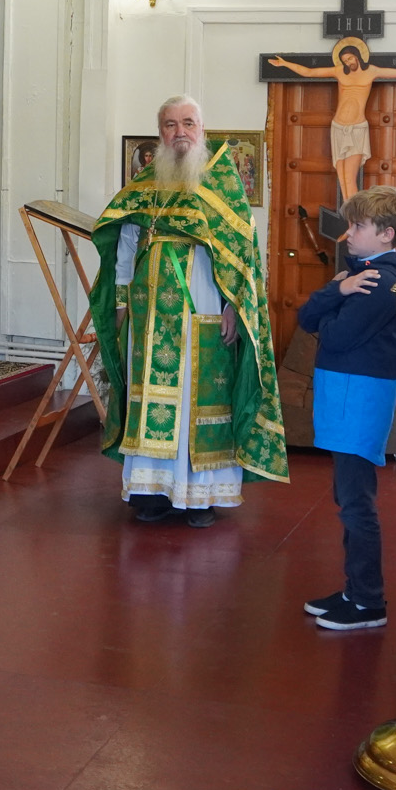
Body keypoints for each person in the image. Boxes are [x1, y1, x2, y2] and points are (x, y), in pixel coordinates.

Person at [88, 95, 289, 526]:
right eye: (170, 124)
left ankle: (200, 498)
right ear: (159, 132)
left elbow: (242, 255)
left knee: (198, 398)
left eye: (188, 123)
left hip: (205, 310)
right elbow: (124, 250)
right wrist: (121, 307)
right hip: (148, 318)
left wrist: (234, 306)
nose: (179, 132)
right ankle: (151, 493)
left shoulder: (223, 185)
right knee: (151, 400)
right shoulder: (144, 186)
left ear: (202, 129)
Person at [298, 185, 396, 632]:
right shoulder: (360, 275)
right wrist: (339, 289)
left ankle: (368, 600)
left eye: (359, 226)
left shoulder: (380, 281)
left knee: (356, 503)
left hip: (359, 396)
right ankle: (354, 589)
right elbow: (306, 320)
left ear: (387, 234)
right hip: (345, 391)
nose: (348, 233)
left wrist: (335, 291)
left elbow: (332, 335)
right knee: (347, 497)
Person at [265, 40, 396, 201]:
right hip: (338, 127)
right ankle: (350, 220)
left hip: (357, 128)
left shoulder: (372, 71)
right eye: (345, 60)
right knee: (342, 180)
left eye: (350, 58)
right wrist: (285, 63)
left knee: (350, 179)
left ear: (358, 56)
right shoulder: (339, 72)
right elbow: (309, 72)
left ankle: (354, 219)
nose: (348, 62)